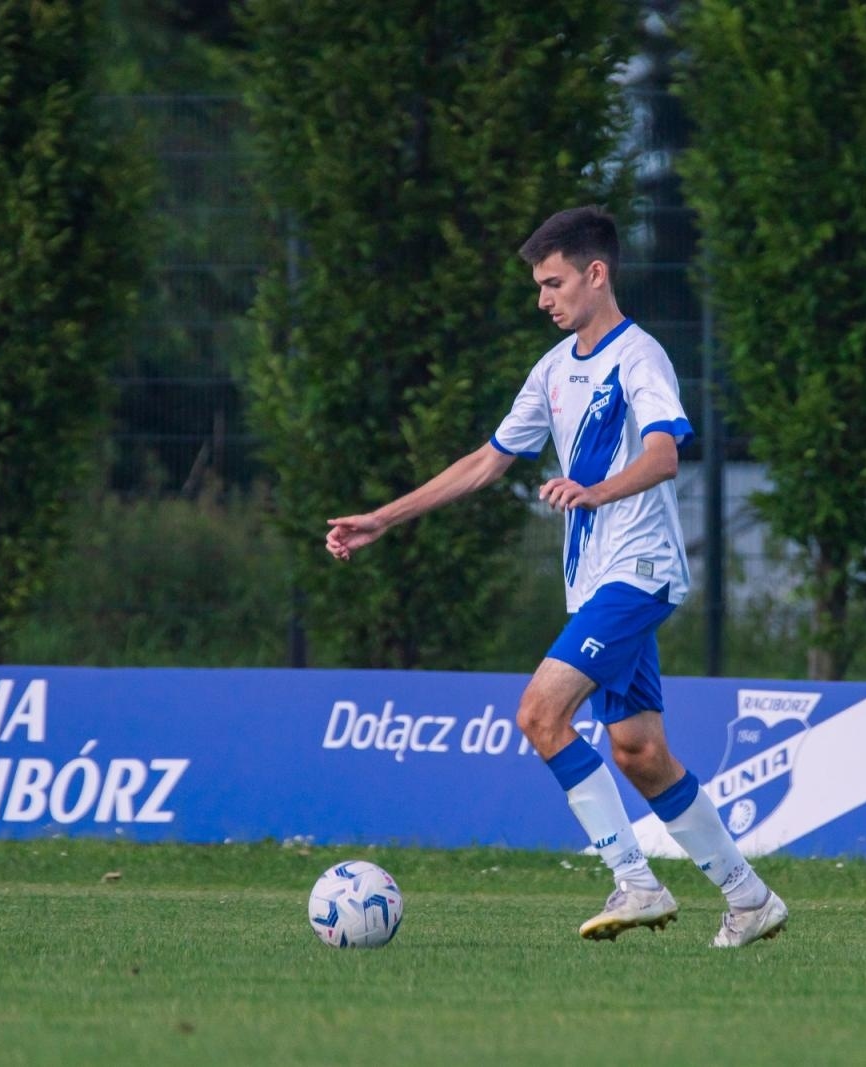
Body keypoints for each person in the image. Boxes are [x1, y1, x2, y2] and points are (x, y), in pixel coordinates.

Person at [325, 207, 788, 948]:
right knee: (639, 752)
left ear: (595, 274)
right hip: (598, 583)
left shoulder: (640, 357)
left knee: (540, 714)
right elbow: (487, 461)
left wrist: (594, 491)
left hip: (637, 573)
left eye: (554, 282)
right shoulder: (552, 369)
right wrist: (384, 518)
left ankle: (636, 882)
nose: (543, 299)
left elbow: (665, 454)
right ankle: (750, 898)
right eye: (540, 286)